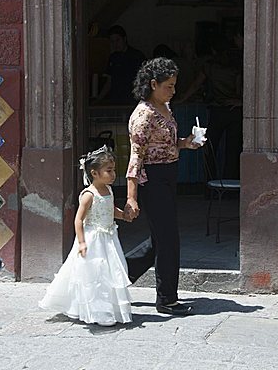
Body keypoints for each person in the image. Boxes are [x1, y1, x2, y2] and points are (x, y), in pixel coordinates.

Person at [124, 57, 201, 316]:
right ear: (153, 84)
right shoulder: (143, 115)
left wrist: (186, 143)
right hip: (152, 180)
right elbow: (136, 157)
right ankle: (167, 299)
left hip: (168, 175)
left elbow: (165, 143)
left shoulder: (165, 107)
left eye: (174, 85)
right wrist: (131, 197)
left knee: (159, 240)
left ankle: (119, 277)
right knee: (169, 240)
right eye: (169, 85)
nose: (173, 90)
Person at [39, 145, 134, 326]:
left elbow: (109, 209)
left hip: (108, 238)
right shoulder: (88, 195)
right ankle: (92, 310)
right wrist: (82, 242)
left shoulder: (108, 190)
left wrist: (123, 215)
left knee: (107, 274)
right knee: (92, 274)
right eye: (109, 171)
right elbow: (78, 220)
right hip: (93, 239)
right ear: (94, 173)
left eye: (114, 170)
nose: (113, 174)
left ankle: (107, 308)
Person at [179, 34, 242, 179]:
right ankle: (230, 186)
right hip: (234, 111)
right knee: (232, 151)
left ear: (213, 50)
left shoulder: (210, 67)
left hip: (217, 109)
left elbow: (195, 85)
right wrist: (240, 101)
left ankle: (210, 183)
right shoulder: (236, 66)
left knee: (210, 147)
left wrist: (182, 98)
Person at [96, 25, 145, 104]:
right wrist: (99, 99)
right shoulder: (113, 58)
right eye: (112, 41)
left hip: (132, 100)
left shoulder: (137, 56)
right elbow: (109, 81)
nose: (115, 44)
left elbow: (144, 80)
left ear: (124, 39)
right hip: (116, 100)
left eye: (117, 40)